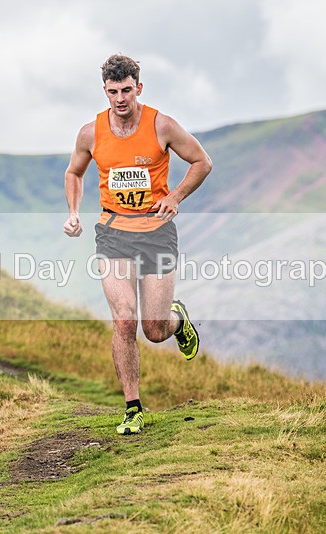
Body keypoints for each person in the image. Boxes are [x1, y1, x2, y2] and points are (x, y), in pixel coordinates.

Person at [63, 54, 212, 435]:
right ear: (105, 92)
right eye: (112, 92)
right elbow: (74, 172)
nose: (120, 99)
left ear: (138, 88)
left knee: (155, 329)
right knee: (124, 320)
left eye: (126, 90)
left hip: (157, 233)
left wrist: (175, 197)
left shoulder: (161, 124)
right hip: (113, 234)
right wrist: (74, 212)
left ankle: (177, 321)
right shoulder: (90, 132)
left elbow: (202, 162)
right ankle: (133, 407)